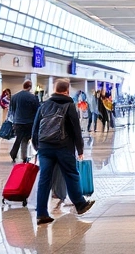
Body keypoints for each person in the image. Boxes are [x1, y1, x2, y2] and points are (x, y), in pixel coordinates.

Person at [32, 79, 93, 225]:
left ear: (55, 89)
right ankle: (80, 204)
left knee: (44, 179)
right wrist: (80, 149)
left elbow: (35, 128)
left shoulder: (44, 104)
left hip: (45, 147)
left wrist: (37, 146)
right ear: (67, 90)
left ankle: (41, 213)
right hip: (63, 147)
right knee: (71, 175)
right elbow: (76, 130)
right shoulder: (69, 105)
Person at [8, 80, 40, 163]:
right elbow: (37, 110)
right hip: (28, 122)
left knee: (18, 138)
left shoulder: (14, 96)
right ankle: (24, 157)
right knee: (25, 140)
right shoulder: (33, 97)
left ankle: (13, 154)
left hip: (17, 122)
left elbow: (12, 109)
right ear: (30, 87)